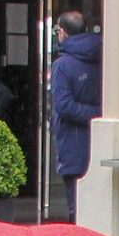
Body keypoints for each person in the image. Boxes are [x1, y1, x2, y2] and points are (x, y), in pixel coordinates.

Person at [48, 12, 100, 223]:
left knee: (76, 210)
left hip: (71, 139)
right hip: (96, 138)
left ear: (63, 33)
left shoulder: (63, 64)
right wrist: (98, 114)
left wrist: (92, 114)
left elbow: (63, 105)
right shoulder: (101, 56)